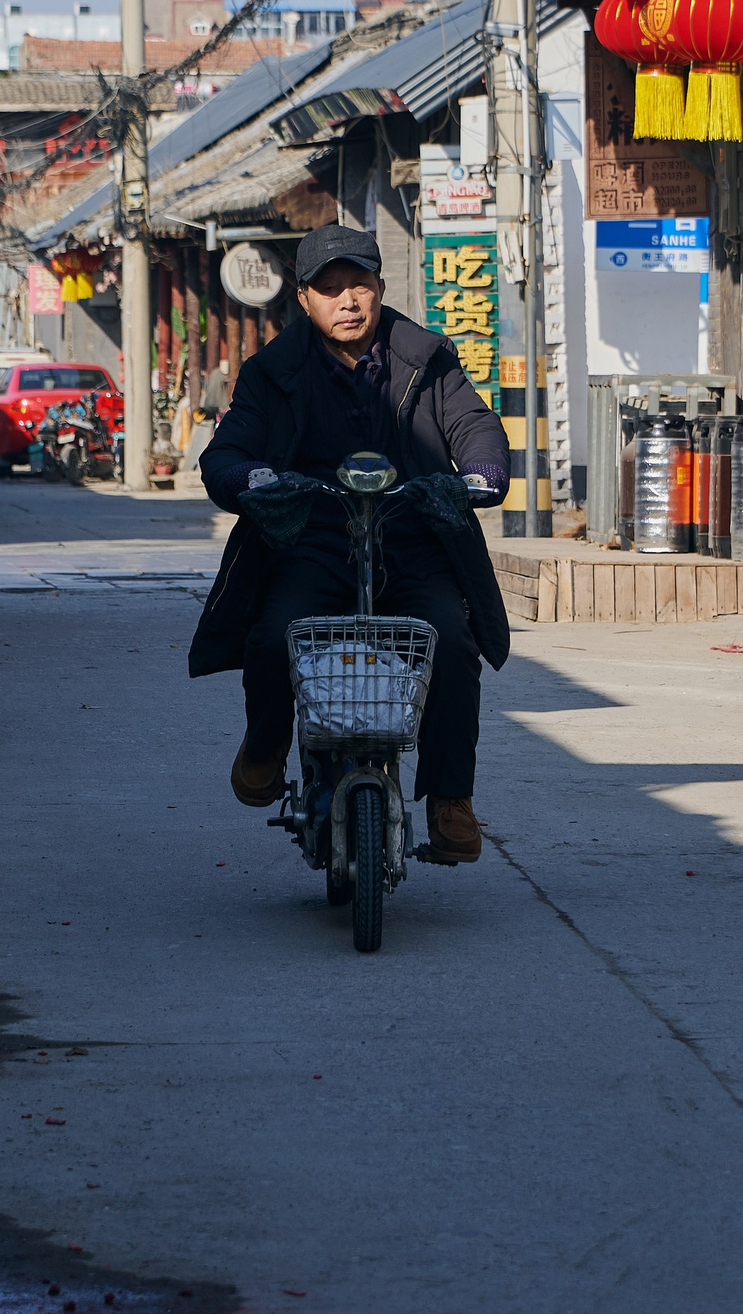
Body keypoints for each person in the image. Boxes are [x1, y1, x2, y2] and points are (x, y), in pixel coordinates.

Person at [187, 224, 511, 863]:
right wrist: (250, 477)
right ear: (303, 298)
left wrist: (479, 472)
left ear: (380, 288)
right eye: (329, 288)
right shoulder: (271, 371)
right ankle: (266, 744)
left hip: (412, 540)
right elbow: (228, 449)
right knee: (273, 634)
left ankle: (451, 798)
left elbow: (474, 424)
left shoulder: (429, 359)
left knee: (451, 639)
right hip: (310, 542)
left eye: (358, 285)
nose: (348, 301)